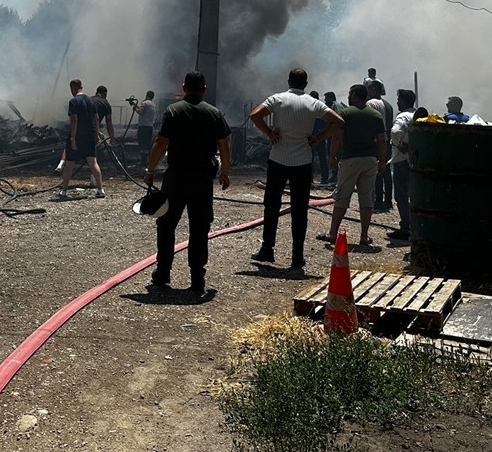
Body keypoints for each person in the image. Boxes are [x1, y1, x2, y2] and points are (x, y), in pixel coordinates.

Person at [144, 71, 231, 295]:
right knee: (199, 228)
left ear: (184, 87)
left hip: (177, 176)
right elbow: (224, 146)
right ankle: (197, 279)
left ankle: (163, 273)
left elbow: (161, 142)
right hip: (202, 178)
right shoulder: (214, 113)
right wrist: (225, 173)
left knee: (166, 224)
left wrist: (151, 169)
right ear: (204, 89)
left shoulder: (173, 110)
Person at [250, 68, 345, 268]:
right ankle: (297, 256)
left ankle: (267, 249)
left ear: (289, 82)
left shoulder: (278, 99)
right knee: (300, 211)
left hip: (278, 159)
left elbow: (255, 115)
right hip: (302, 161)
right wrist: (318, 138)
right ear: (306, 84)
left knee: (271, 206)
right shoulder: (313, 103)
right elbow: (338, 122)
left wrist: (269, 133)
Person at [323, 84, 387, 248]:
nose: (348, 97)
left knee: (342, 197)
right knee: (366, 199)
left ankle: (332, 233)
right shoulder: (376, 115)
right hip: (370, 161)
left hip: (350, 160)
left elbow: (338, 137)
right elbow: (381, 140)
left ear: (355, 96)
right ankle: (364, 236)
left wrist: (332, 156)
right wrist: (382, 160)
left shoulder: (346, 113)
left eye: (350, 95)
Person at [59, 79, 104, 199]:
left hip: (78, 135)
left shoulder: (73, 101)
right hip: (90, 135)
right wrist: (96, 133)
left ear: (73, 88)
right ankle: (100, 190)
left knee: (69, 163)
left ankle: (64, 191)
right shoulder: (90, 100)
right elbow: (96, 117)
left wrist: (73, 138)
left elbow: (74, 119)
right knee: (93, 162)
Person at [387, 89, 417, 241]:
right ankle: (415, 227)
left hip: (401, 161)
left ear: (404, 101)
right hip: (415, 161)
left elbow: (395, 131)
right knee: (414, 195)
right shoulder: (417, 115)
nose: (397, 102)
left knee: (401, 196)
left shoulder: (402, 116)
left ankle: (405, 228)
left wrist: (399, 145)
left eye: (399, 100)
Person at [366, 79, 395, 212]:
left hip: (376, 142)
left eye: (369, 88)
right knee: (387, 171)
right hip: (387, 141)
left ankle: (378, 201)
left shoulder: (371, 103)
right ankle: (388, 201)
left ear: (373, 89)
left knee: (377, 170)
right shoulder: (388, 105)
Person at [90, 85, 116, 187]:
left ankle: (62, 167)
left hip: (81, 129)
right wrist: (112, 138)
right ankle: (94, 179)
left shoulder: (88, 99)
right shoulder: (105, 103)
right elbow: (108, 122)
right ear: (105, 94)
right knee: (94, 154)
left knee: (74, 155)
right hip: (92, 131)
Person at [319, 91, 340, 186]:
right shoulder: (336, 105)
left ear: (331, 98)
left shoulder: (334, 106)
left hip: (334, 135)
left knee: (333, 154)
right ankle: (335, 174)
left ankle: (335, 175)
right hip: (334, 134)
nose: (325, 100)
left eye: (326, 98)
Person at [135, 90, 156, 166]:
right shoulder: (152, 104)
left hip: (143, 126)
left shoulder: (144, 103)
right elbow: (144, 110)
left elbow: (141, 112)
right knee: (148, 143)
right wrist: (136, 105)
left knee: (142, 143)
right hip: (150, 127)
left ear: (147, 95)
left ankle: (143, 161)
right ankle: (150, 161)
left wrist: (135, 109)